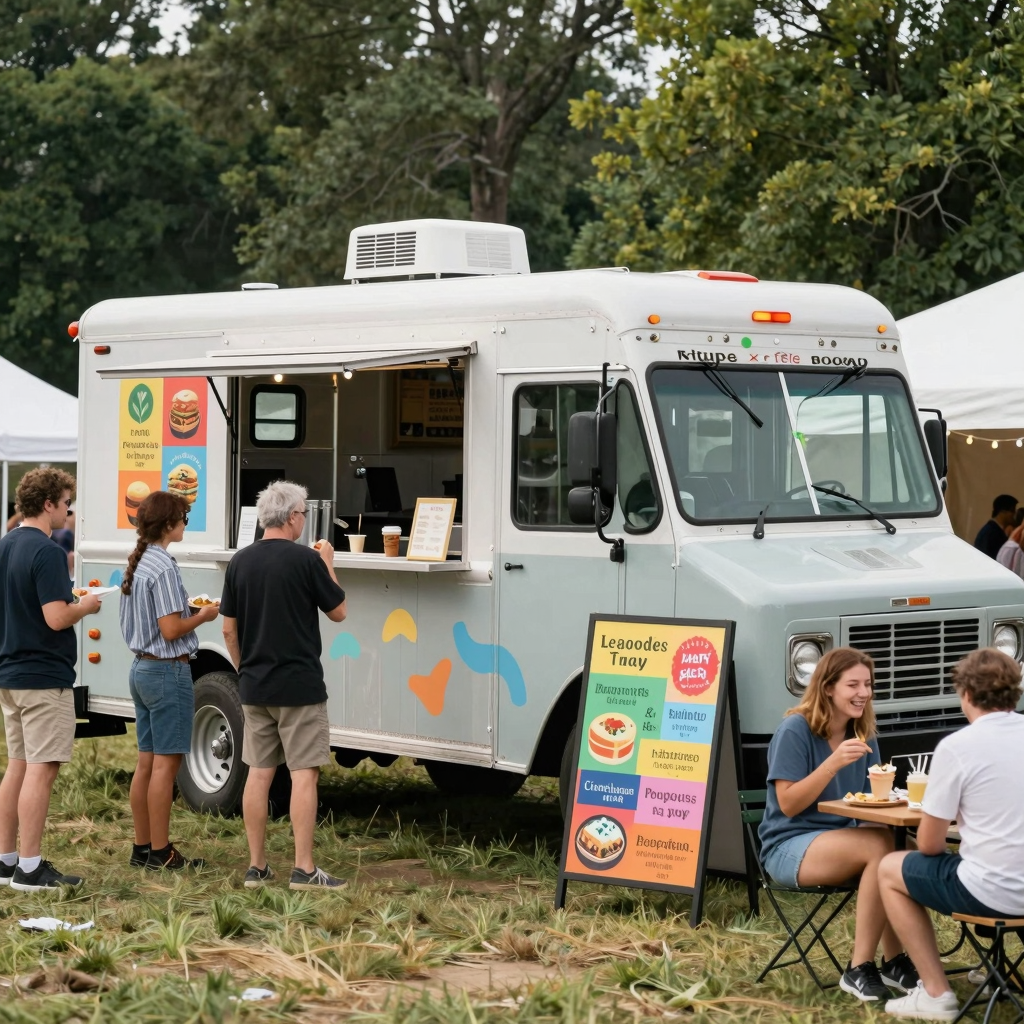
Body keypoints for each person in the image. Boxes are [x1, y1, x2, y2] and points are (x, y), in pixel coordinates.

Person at [758, 647, 918, 1002]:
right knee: (880, 846)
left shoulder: (863, 734)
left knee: (903, 850)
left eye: (868, 684)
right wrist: (831, 764)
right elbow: (788, 804)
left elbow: (868, 803)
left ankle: (894, 961)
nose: (864, 693)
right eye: (853, 685)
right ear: (828, 687)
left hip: (843, 839)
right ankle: (859, 967)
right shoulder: (795, 730)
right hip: (788, 845)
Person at [878, 648, 1024, 1021]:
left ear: (966, 695)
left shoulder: (958, 747)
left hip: (994, 892)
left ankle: (935, 993)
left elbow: (929, 844)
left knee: (890, 868)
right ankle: (996, 973)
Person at [220, 481, 347, 890]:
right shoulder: (305, 561)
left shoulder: (240, 562)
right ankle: (304, 869)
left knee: (258, 774)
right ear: (293, 517)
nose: (304, 521)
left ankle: (256, 867)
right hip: (300, 687)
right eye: (304, 514)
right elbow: (339, 611)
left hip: (255, 686)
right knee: (303, 776)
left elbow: (228, 630)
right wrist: (327, 561)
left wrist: (244, 671)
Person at [0, 468, 101, 890]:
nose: (67, 511)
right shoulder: (48, 552)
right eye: (65, 504)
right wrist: (87, 606)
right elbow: (56, 616)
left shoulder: (5, 545)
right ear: (48, 504)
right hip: (43, 675)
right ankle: (30, 867)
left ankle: (6, 861)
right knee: (42, 769)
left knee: (18, 767)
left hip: (10, 673)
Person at [119, 491, 219, 870]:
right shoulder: (162, 566)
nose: (185, 524)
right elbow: (172, 628)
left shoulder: (141, 560)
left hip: (141, 669)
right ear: (168, 525)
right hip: (166, 670)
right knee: (166, 765)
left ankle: (142, 847)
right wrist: (203, 616)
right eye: (183, 518)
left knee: (146, 763)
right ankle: (162, 852)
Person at [973, 494, 1017, 559]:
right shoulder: (992, 533)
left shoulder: (992, 530)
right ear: (1002, 511)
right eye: (1012, 510)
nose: (1014, 514)